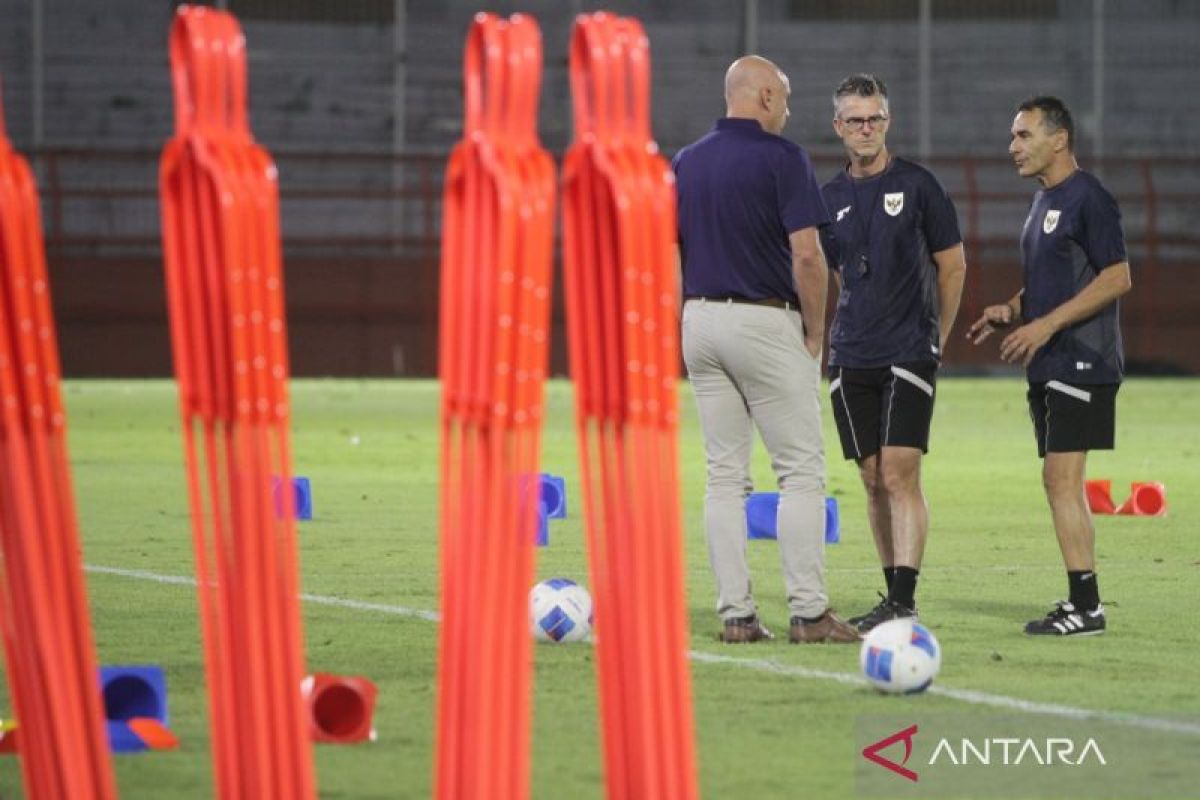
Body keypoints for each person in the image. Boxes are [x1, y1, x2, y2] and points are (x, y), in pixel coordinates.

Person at [672, 55, 858, 645]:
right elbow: (808, 254)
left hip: (699, 318)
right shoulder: (783, 158)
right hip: (764, 320)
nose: (789, 107)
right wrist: (814, 330)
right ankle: (808, 612)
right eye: (785, 95)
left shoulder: (687, 162)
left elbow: (672, 250)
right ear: (765, 97)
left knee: (724, 477)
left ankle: (736, 616)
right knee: (801, 472)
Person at [967, 96, 1131, 636]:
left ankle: (1088, 607)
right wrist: (1013, 310)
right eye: (1014, 136)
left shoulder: (1090, 198)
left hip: (1083, 358)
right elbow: (1055, 275)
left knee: (1061, 479)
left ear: (1058, 139)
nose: (1012, 146)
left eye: (1023, 135)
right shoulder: (1045, 201)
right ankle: (1083, 602)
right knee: (1060, 481)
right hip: (1053, 359)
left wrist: (1045, 325)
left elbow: (1115, 277)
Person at [817, 74, 966, 632]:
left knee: (902, 473)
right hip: (851, 353)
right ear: (838, 127)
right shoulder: (828, 199)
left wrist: (937, 338)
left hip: (910, 350)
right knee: (872, 476)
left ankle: (904, 601)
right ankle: (890, 594)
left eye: (874, 118)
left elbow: (953, 266)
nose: (865, 128)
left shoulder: (921, 186)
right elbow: (833, 275)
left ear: (888, 121)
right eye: (855, 120)